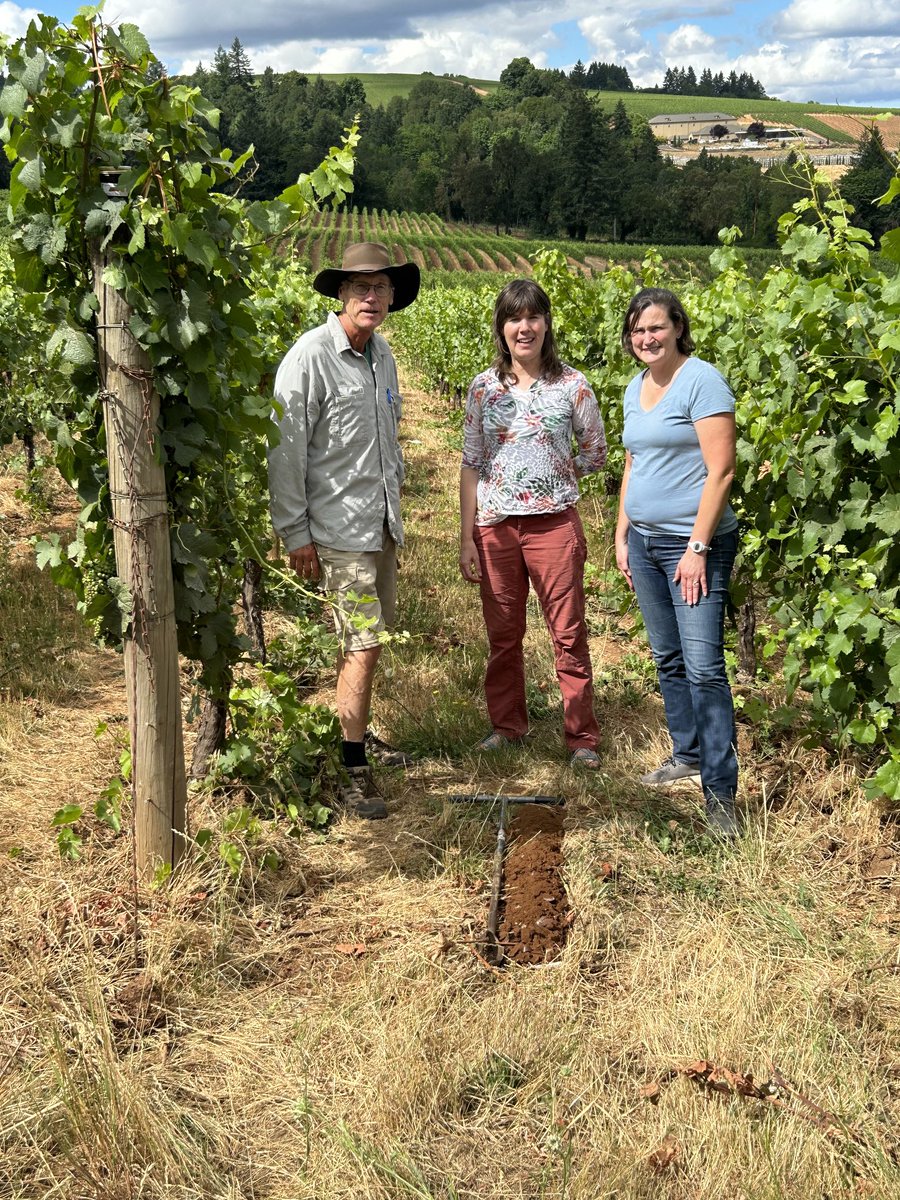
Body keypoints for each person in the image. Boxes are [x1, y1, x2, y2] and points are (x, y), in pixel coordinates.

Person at [267, 242, 420, 820]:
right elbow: (284, 452)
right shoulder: (308, 357)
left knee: (362, 648)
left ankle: (349, 736)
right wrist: (295, 532)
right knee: (364, 644)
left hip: (378, 526)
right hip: (336, 530)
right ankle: (352, 770)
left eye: (381, 287)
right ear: (339, 294)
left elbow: (388, 440)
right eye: (360, 287)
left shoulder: (383, 356)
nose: (372, 297)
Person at [459, 279, 607, 768]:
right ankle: (507, 726)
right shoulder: (483, 387)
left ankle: (581, 737)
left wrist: (551, 476)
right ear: (501, 328)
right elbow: (472, 461)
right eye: (513, 318)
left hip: (553, 526)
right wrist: (466, 536)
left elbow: (594, 452)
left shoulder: (573, 385)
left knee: (568, 632)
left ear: (546, 324)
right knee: (503, 634)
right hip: (496, 527)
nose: (524, 327)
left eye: (533, 317)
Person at [615, 287, 740, 837]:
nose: (648, 338)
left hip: (692, 547)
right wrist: (622, 531)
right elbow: (634, 461)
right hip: (643, 543)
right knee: (667, 657)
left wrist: (696, 548)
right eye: (639, 330)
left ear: (677, 328)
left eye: (656, 328)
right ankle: (685, 755)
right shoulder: (633, 387)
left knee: (704, 666)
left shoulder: (701, 380)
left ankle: (721, 796)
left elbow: (722, 471)